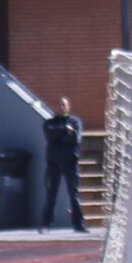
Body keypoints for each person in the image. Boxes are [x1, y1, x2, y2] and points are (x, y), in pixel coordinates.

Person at [41, 95, 87, 233]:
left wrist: (63, 134)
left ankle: (78, 224)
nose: (62, 107)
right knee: (51, 194)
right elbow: (50, 135)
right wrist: (64, 130)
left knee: (74, 194)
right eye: (60, 105)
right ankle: (46, 223)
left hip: (70, 163)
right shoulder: (49, 123)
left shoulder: (75, 122)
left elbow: (75, 139)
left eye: (64, 105)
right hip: (53, 164)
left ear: (69, 106)